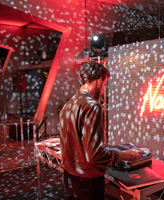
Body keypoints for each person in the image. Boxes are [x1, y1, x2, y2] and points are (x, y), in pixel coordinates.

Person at [59, 61, 143, 200]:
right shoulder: (92, 106)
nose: (103, 89)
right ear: (98, 80)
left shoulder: (69, 104)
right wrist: (125, 155)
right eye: (104, 84)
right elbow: (94, 155)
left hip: (69, 177)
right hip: (87, 182)